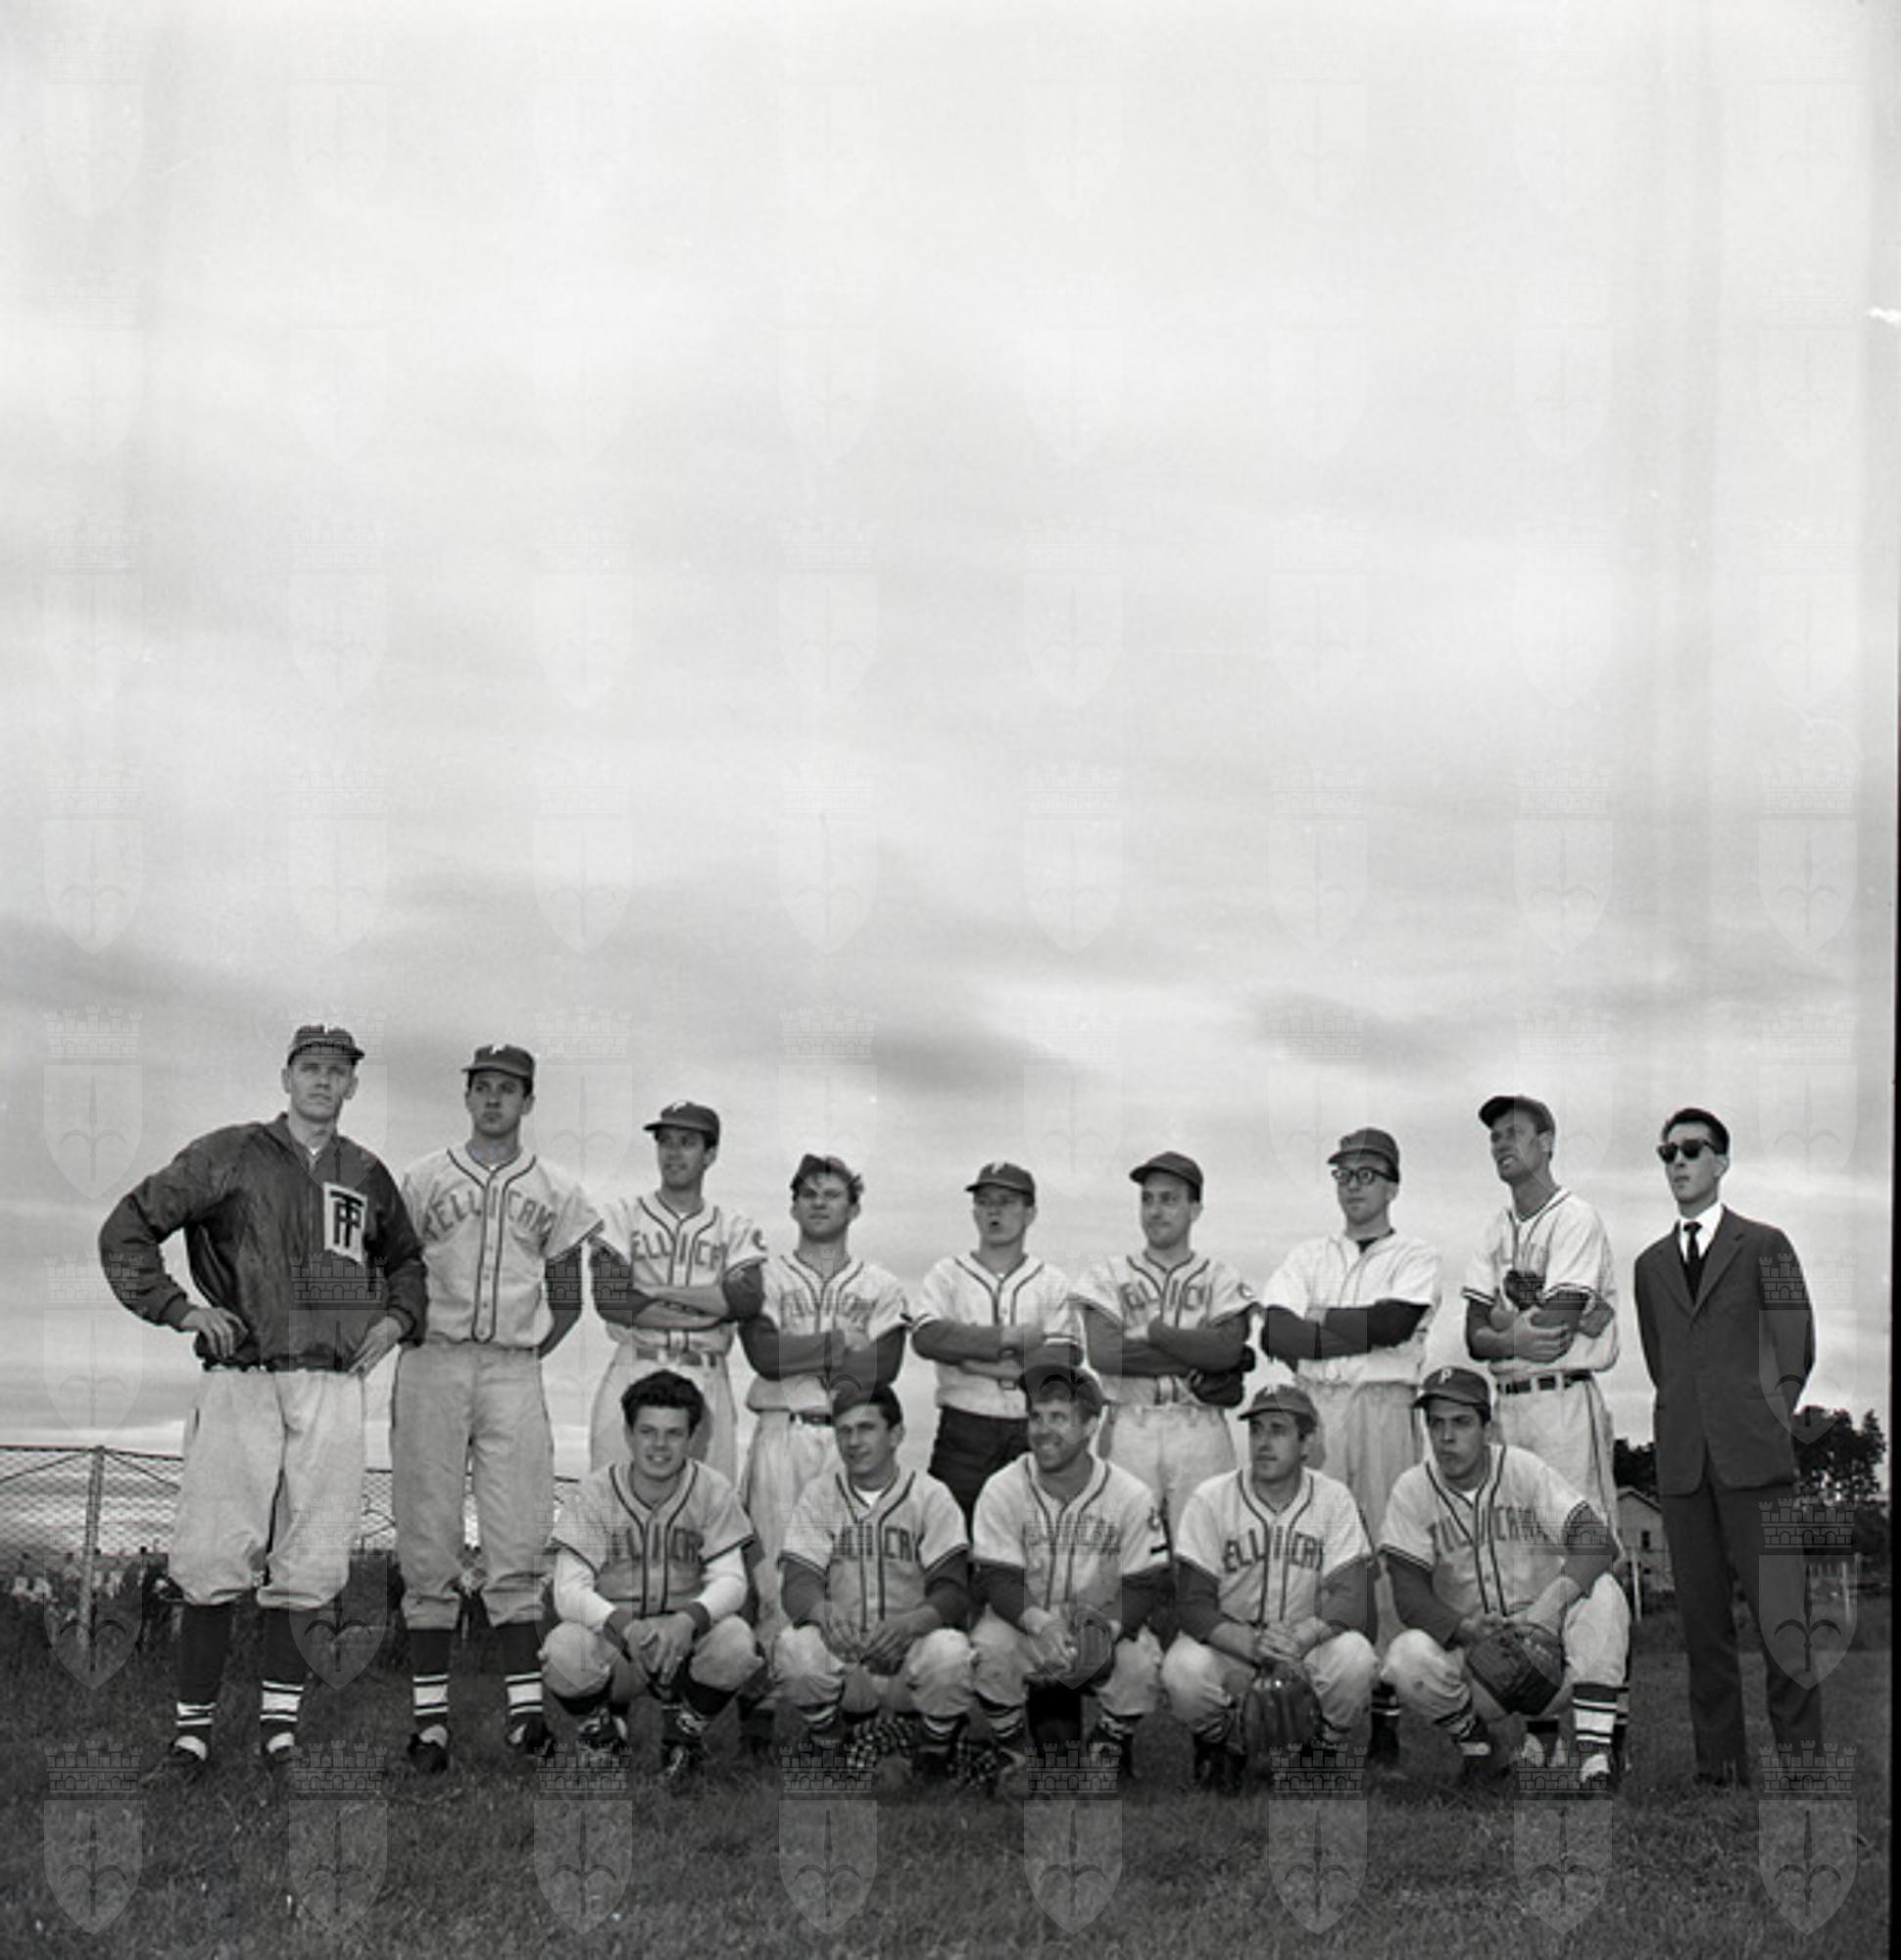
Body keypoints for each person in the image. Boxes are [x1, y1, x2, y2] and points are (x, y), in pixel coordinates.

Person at [99, 1024, 426, 1783]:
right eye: (310, 1067)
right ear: (286, 1077)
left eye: (337, 1070)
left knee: (311, 1559)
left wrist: (395, 1320)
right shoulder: (231, 1151)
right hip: (243, 1374)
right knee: (213, 1553)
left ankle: (280, 1737)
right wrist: (181, 1310)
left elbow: (407, 1261)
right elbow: (128, 1228)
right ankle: (190, 1741)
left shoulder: (366, 1173)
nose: (323, 1080)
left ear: (353, 1085)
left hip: (332, 1383)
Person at [393, 1042, 602, 1773]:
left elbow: (568, 1296)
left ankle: (525, 1719)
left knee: (518, 1536)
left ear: (528, 1101)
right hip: (433, 1360)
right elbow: (394, 1270)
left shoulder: (556, 1187)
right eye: (481, 1086)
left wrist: (528, 1353)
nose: (492, 1099)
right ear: (467, 1096)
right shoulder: (423, 1178)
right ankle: (430, 1726)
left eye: (507, 1089)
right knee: (428, 1539)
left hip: (513, 1367)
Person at [1633, 1107, 1822, 1785]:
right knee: (1703, 1626)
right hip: (1683, 1469)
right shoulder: (1649, 1265)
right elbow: (1661, 1361)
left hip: (1756, 1462)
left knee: (1783, 1621)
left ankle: (1802, 1766)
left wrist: (1760, 1418)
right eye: (1667, 1153)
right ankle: (1721, 1770)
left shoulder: (1767, 1245)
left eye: (1692, 1149)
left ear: (1722, 1161)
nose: (1678, 1162)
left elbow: (1796, 1346)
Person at [1256, 1126, 1438, 1771]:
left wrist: (1317, 1323)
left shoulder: (1415, 1254)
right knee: (1315, 1552)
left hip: (1385, 1406)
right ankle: (1307, 1702)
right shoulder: (1309, 1254)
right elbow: (1274, 1335)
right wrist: (1352, 1330)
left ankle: (1385, 1710)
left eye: (1367, 1174)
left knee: (1388, 1551)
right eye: (1344, 1174)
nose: (1354, 1185)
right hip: (1317, 1407)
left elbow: (1394, 1323)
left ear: (1392, 1185)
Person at [1380, 1366, 1630, 1796]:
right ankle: (1481, 1750)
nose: (1446, 1437)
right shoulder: (1412, 1490)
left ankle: (1595, 1760)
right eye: (1436, 1424)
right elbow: (1409, 1594)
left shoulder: (1524, 1471)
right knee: (1405, 1657)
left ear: (1488, 1428)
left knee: (1604, 1591)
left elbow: (1597, 1542)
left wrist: (1547, 1610)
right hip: (1478, 1664)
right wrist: (1464, 1629)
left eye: (1461, 1422)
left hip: (1551, 1651)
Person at [736, 1153, 907, 1750]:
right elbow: (765, 1356)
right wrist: (837, 1345)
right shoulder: (767, 1276)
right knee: (770, 1573)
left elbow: (884, 1366)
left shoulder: (880, 1283)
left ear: (854, 1208)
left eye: (832, 1194)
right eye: (808, 1193)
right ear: (793, 1205)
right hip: (783, 1430)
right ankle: (758, 1717)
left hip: (849, 1440)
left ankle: (848, 1715)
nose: (819, 1202)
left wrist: (802, 1351)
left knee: (850, 1574)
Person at [541, 1372, 760, 1787]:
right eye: (648, 1431)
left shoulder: (713, 1489)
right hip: (617, 1644)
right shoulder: (595, 1492)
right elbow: (567, 1589)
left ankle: (684, 1737)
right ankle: (601, 1737)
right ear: (628, 1433)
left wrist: (688, 1619)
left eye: (673, 1433)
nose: (659, 1445)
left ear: (693, 1437)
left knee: (736, 1641)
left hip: (683, 1644)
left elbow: (732, 1580)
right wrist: (624, 1627)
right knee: (563, 1649)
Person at [1163, 1383, 1379, 1789]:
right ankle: (1223, 1744)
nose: (1263, 1442)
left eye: (1278, 1430)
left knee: (1356, 1658)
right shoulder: (1211, 1498)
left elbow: (1353, 1598)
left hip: (1304, 1644)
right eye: (1257, 1430)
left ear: (1307, 1443)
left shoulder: (1334, 1499)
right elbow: (1192, 1604)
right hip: (1232, 1642)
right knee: (1183, 1671)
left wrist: (1303, 1637)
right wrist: (1248, 1644)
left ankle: (1321, 1750)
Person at [970, 1353, 1169, 1791]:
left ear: (1091, 1425)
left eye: (1059, 1418)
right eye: (1036, 1417)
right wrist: (1041, 1624)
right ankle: (1014, 1749)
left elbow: (1143, 1585)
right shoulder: (1003, 1487)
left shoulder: (1130, 1495)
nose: (1043, 1430)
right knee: (989, 1648)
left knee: (1141, 1663)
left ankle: (1108, 1745)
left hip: (1100, 1626)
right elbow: (998, 1579)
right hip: (1026, 1625)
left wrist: (1104, 1630)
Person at [775, 1382, 975, 1777]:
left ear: (896, 1435)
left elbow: (953, 1590)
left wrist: (910, 1625)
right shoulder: (819, 1496)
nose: (853, 1441)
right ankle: (829, 1741)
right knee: (793, 1646)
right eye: (844, 1431)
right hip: (846, 1656)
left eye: (866, 1428)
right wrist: (821, 1611)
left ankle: (934, 1749)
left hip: (910, 1657)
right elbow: (797, 1581)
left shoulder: (931, 1496)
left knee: (950, 1651)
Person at [1071, 1152, 1257, 1534]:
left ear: (1195, 1209)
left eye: (1169, 1199)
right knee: (1126, 1548)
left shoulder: (1221, 1277)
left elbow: (1225, 1350)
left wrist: (1158, 1334)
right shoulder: (1107, 1275)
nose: (1155, 1211)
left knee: (1205, 1547)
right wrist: (1199, 1353)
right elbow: (1107, 1354)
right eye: (1147, 1199)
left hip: (1200, 1426)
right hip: (1130, 1425)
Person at [587, 1102, 769, 1481]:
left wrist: (653, 1290)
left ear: (710, 1154)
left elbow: (745, 1299)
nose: (673, 1152)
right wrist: (708, 1307)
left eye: (687, 1142)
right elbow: (612, 1298)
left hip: (706, 1376)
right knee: (613, 1500)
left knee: (706, 1503)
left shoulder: (734, 1226)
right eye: (665, 1141)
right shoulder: (622, 1215)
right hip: (635, 1367)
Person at [907, 1161, 1082, 1524]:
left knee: (1035, 1541)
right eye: (985, 1202)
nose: (994, 1211)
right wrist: (1010, 1338)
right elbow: (928, 1337)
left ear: (1030, 1213)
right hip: (963, 1428)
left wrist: (976, 1360)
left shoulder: (1051, 1281)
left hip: (1032, 1428)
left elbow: (1062, 1359)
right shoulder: (948, 1274)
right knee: (952, 1539)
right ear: (975, 1212)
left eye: (1006, 1201)